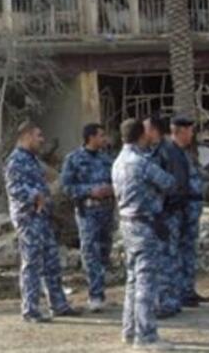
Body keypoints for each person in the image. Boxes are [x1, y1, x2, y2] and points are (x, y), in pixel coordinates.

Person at [5, 121, 80, 323]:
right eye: (38, 136)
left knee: (51, 262)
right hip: (28, 218)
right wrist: (35, 196)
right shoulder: (16, 161)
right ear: (27, 136)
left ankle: (58, 305)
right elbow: (15, 189)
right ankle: (30, 310)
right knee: (32, 264)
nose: (42, 140)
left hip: (43, 217)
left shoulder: (32, 160)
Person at [112, 119, 175, 350]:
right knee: (146, 282)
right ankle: (146, 336)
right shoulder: (141, 163)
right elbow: (168, 182)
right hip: (145, 225)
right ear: (141, 136)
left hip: (127, 224)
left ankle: (129, 330)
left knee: (132, 279)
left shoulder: (118, 162)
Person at [61, 123, 115, 312]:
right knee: (90, 253)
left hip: (107, 212)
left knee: (104, 253)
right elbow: (67, 187)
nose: (104, 139)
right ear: (90, 137)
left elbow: (116, 180)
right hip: (87, 213)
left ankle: (101, 291)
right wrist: (90, 191)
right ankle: (95, 295)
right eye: (101, 135)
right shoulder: (74, 159)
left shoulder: (107, 159)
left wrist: (110, 189)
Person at [144, 115, 189, 318]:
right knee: (169, 256)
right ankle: (171, 299)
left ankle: (168, 301)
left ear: (154, 130)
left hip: (167, 211)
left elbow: (175, 184)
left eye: (146, 128)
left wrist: (165, 206)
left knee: (166, 257)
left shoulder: (167, 151)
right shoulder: (163, 150)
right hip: (165, 210)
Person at [169, 116, 209, 308]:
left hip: (191, 209)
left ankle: (188, 290)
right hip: (182, 209)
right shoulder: (171, 152)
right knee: (179, 251)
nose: (192, 134)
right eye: (189, 131)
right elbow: (178, 184)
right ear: (180, 131)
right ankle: (180, 292)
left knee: (188, 251)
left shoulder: (184, 153)